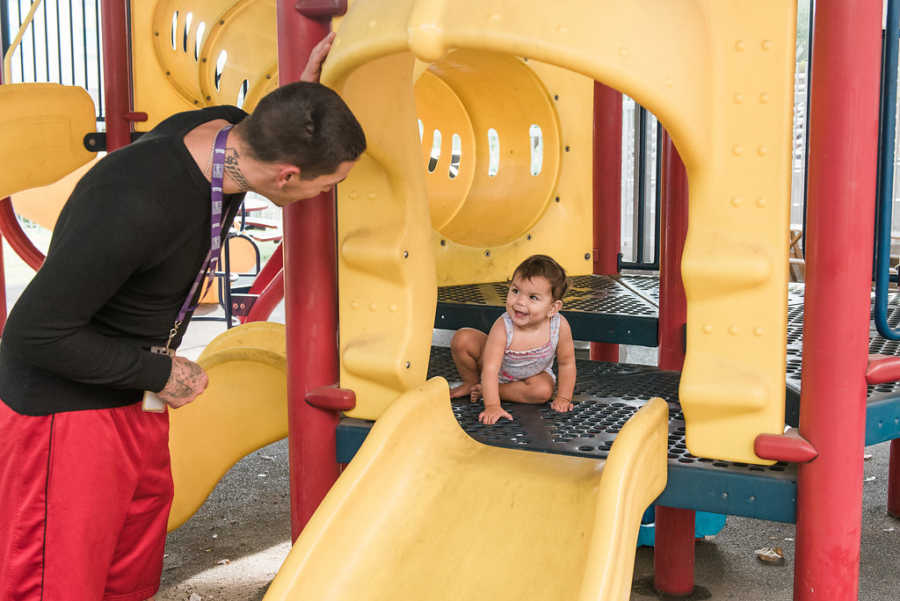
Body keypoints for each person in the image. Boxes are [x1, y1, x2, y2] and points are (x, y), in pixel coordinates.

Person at [0, 33, 364, 601]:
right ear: (287, 177)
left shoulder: (227, 136)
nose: (331, 192)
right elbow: (32, 334)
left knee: (128, 571)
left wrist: (304, 97)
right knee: (58, 584)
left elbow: (270, 125)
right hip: (65, 413)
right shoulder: (138, 201)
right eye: (331, 182)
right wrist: (160, 374)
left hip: (129, 388)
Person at [449, 254, 577, 425]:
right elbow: (490, 368)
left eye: (533, 297)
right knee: (462, 338)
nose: (519, 301)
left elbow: (566, 363)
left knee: (543, 391)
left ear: (553, 308)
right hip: (494, 369)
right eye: (515, 291)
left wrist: (563, 397)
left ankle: (489, 390)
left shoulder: (559, 326)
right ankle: (471, 382)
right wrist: (492, 406)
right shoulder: (503, 326)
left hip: (532, 377)